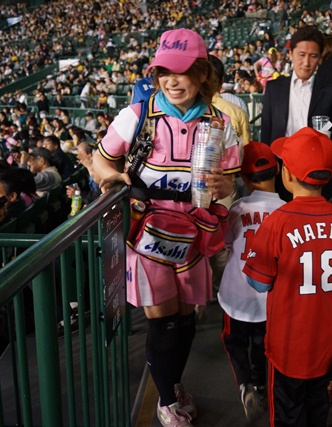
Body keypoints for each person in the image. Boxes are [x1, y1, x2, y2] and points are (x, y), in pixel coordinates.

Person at [92, 28, 241, 427]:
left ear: (201, 73)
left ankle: (172, 387)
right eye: (164, 73)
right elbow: (100, 160)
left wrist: (225, 185)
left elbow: (229, 179)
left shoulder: (220, 122)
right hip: (148, 235)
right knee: (161, 319)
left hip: (194, 235)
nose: (172, 81)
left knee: (186, 317)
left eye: (182, 71)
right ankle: (166, 400)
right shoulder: (136, 116)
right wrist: (113, 176)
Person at [243, 127, 332, 427]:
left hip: (288, 346)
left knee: (287, 414)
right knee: (317, 407)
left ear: (287, 175)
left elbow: (259, 281)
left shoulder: (278, 221)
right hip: (328, 343)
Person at [218, 142, 285, 421]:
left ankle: (245, 383)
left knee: (234, 342)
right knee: (262, 344)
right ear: (278, 170)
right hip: (269, 297)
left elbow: (227, 243)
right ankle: (260, 383)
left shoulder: (237, 208)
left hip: (236, 294)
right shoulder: (286, 211)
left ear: (244, 179)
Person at [260, 26, 332, 202]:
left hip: (316, 172)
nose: (306, 62)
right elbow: (267, 132)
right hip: (281, 169)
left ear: (319, 58)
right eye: (301, 54)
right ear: (290, 54)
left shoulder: (331, 90)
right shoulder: (274, 88)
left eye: (313, 56)